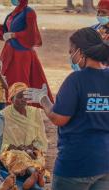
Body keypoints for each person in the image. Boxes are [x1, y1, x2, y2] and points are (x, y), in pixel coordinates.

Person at [23, 27, 109, 190]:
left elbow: (59, 118)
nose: (70, 57)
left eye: (71, 52)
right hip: (105, 163)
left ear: (81, 52)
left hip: (76, 164)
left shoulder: (76, 80)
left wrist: (44, 100)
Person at [0, 0, 53, 105]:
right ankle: (7, 107)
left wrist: (14, 35)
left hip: (21, 55)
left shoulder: (29, 12)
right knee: (4, 79)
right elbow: (5, 32)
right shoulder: (14, 13)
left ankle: (22, 109)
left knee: (20, 82)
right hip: (8, 52)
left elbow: (31, 35)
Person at [1, 82, 48, 152]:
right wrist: (13, 148)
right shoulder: (3, 115)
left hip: (32, 152)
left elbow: (41, 138)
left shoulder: (35, 112)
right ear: (11, 99)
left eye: (25, 96)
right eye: (19, 97)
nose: (23, 99)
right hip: (10, 154)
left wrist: (32, 148)